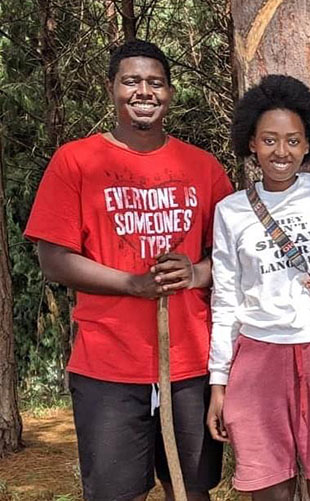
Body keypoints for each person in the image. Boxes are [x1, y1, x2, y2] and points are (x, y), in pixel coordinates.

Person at [24, 40, 233, 501]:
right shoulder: (75, 161)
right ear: (112, 88)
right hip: (108, 364)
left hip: (190, 361)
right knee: (117, 494)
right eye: (131, 81)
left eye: (155, 82)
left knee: (191, 489)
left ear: (170, 92)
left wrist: (196, 271)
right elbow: (52, 258)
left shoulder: (204, 168)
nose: (144, 91)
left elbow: (235, 257)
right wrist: (131, 284)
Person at [205, 74, 310, 501]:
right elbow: (225, 298)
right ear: (251, 143)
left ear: (307, 144)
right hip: (257, 359)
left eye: (292, 141)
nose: (281, 152)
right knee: (267, 488)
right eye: (269, 140)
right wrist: (218, 383)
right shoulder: (230, 211)